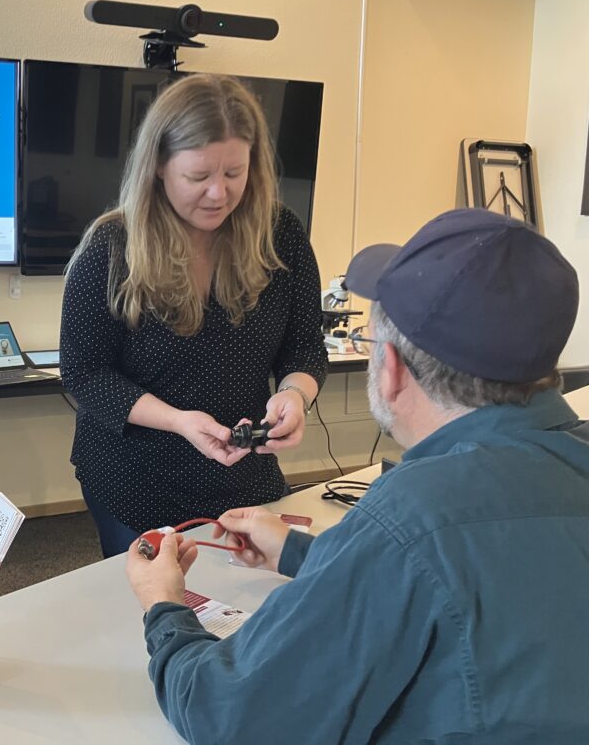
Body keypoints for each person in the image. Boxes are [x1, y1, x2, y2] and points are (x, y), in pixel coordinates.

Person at [125, 208, 589, 743]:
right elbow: (461, 580)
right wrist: (302, 553)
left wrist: (163, 605)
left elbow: (233, 717)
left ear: (390, 369)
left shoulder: (411, 516)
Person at [60, 74, 327, 557]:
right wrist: (179, 421)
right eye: (198, 177)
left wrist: (295, 394)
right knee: (156, 593)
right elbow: (85, 373)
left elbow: (305, 345)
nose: (218, 194)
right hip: (135, 480)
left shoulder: (281, 236)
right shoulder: (112, 248)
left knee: (253, 591)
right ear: (159, 167)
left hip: (243, 475)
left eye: (234, 173)